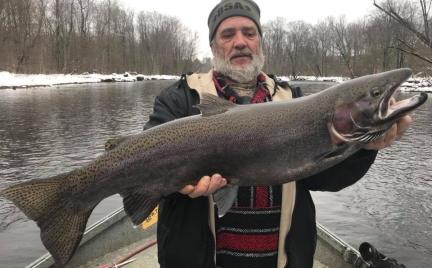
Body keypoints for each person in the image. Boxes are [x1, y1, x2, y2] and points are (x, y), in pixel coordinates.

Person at [143, 0, 412, 267]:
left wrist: (364, 149)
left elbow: (325, 177)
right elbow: (144, 162)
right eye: (228, 34)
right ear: (213, 47)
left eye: (249, 33)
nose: (240, 42)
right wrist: (177, 180)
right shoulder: (180, 100)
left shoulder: (293, 100)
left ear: (260, 42)